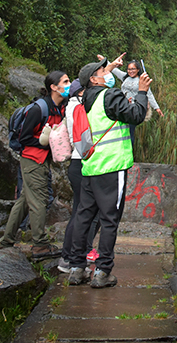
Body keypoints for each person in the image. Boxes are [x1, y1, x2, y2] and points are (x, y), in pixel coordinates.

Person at [67, 56, 149, 288]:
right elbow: (136, 116)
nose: (108, 73)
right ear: (94, 79)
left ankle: (76, 268)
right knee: (109, 219)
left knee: (84, 216)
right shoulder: (109, 95)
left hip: (90, 166)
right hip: (111, 166)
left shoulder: (85, 101)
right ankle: (102, 271)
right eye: (104, 70)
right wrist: (142, 92)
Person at [0, 71, 70, 260]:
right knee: (39, 200)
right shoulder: (39, 109)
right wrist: (44, 142)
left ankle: (6, 240)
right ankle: (40, 245)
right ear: (54, 87)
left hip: (41, 159)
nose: (68, 84)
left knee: (24, 201)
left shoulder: (59, 106)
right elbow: (24, 137)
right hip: (32, 159)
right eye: (65, 81)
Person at [58, 79, 100, 272]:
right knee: (80, 213)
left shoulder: (73, 106)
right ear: (82, 92)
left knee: (81, 211)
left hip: (78, 162)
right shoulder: (77, 108)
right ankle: (68, 257)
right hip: (80, 162)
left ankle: (75, 254)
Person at [99, 55, 164, 147]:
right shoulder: (125, 77)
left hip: (133, 108)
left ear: (138, 69)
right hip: (123, 106)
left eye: (133, 69)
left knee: (130, 131)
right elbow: (114, 70)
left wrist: (156, 108)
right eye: (129, 69)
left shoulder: (141, 80)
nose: (131, 71)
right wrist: (104, 61)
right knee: (122, 130)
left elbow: (149, 94)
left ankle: (129, 150)